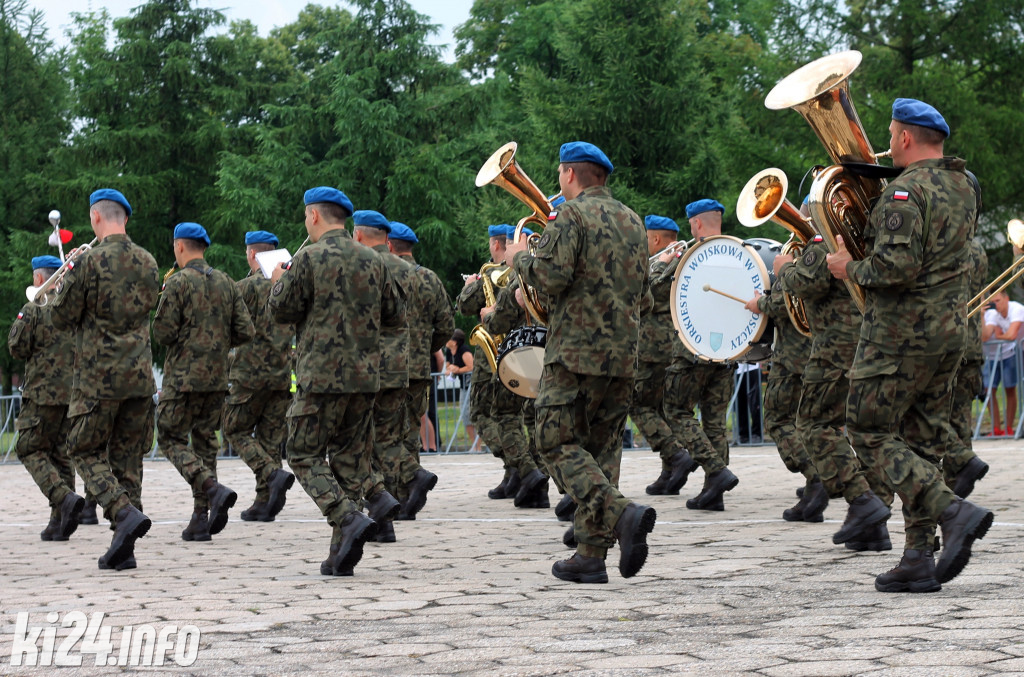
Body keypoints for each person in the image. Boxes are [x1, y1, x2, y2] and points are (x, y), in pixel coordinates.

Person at [826, 98, 994, 592]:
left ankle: (951, 511)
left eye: (891, 134)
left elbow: (894, 270)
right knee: (923, 440)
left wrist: (846, 268)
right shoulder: (964, 184)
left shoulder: (903, 194)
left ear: (903, 138)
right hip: (948, 333)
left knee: (868, 430)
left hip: (899, 334)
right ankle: (919, 556)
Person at [505, 141, 654, 584]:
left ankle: (622, 514)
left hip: (574, 352)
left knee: (555, 441)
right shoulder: (633, 220)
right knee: (603, 451)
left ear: (570, 174)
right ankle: (590, 555)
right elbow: (644, 295)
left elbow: (551, 275)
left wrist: (521, 262)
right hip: (623, 355)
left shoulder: (570, 215)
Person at [269, 187, 406, 576]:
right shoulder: (373, 259)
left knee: (301, 452)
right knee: (348, 460)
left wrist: (279, 279)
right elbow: (396, 315)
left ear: (313, 216)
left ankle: (345, 517)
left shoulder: (307, 258)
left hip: (321, 375)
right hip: (365, 377)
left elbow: (280, 310)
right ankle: (340, 553)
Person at [50, 188, 159, 570]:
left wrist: (67, 275)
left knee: (83, 450)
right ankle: (124, 547)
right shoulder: (148, 261)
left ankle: (120, 510)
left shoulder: (88, 263)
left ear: (96, 218)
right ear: (123, 219)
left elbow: (60, 317)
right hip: (140, 377)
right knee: (128, 460)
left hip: (98, 379)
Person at [154, 222, 255, 542]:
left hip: (183, 379)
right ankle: (201, 518)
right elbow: (246, 332)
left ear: (179, 246)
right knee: (204, 442)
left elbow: (163, 333)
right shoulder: (226, 282)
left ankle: (211, 489)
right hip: (216, 379)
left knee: (170, 438)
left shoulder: (178, 283)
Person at [664, 199, 740, 511]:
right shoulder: (739, 254)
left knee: (677, 411)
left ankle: (716, 470)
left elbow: (655, 288)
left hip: (691, 351)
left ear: (695, 224)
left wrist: (665, 263)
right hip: (727, 350)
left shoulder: (689, 256)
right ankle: (714, 493)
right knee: (714, 420)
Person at [222, 230, 297, 523]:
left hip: (250, 374)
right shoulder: (288, 286)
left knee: (234, 429)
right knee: (269, 438)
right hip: (281, 374)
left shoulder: (245, 288)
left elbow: (231, 329)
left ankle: (271, 475)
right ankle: (265, 502)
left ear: (252, 254)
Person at [9, 255, 85, 541]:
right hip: (71, 394)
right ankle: (60, 521)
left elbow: (16, 347)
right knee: (61, 455)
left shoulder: (34, 309)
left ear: (40, 279)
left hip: (41, 394)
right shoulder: (73, 310)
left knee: (29, 449)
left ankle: (63, 499)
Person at [351, 210, 410, 544]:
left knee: (360, 443)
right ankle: (385, 519)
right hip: (400, 366)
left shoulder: (359, 265)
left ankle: (373, 513)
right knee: (387, 442)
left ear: (358, 235)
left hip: (367, 366)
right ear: (386, 238)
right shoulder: (411, 270)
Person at [388, 221, 454, 519]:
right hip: (418, 369)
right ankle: (406, 502)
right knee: (410, 433)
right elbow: (446, 327)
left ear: (389, 244)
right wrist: (425, 348)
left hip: (387, 368)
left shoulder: (383, 272)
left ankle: (403, 485)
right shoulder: (429, 278)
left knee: (384, 434)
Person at [744, 262, 819, 522]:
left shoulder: (806, 255)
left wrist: (760, 304)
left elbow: (789, 301)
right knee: (807, 423)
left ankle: (816, 474)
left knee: (777, 419)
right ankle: (813, 494)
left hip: (793, 356)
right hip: (816, 353)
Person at [632, 215, 695, 496]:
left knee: (638, 403)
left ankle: (675, 453)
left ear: (656, 239)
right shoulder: (678, 258)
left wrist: (656, 265)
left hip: (653, 346)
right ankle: (670, 471)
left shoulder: (674, 259)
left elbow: (648, 292)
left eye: (647, 238)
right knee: (657, 408)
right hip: (667, 345)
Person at [456, 225, 517, 497]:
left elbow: (465, 306)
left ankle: (521, 467)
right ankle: (515, 472)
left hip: (492, 358)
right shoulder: (528, 269)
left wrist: (470, 286)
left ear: (495, 245)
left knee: (483, 414)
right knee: (516, 416)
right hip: (522, 352)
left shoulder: (491, 273)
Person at [944, 238, 990, 496]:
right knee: (960, 419)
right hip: (971, 344)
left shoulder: (947, 244)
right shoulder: (978, 249)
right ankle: (959, 479)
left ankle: (959, 471)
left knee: (931, 415)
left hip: (948, 341)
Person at [981, 290, 1024, 436]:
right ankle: (996, 428)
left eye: (998, 301)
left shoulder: (1016, 309)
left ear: (1007, 299)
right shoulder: (993, 313)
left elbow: (1012, 335)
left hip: (1013, 352)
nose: (995, 304)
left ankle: (1009, 427)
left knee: (1010, 389)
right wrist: (981, 315)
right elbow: (986, 336)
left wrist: (1001, 336)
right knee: (988, 390)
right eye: (993, 302)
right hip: (996, 355)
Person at [444, 329, 477, 450]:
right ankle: (474, 445)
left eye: (449, 338)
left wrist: (458, 370)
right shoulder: (449, 351)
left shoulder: (464, 350)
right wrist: (450, 369)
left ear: (455, 341)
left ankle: (477, 446)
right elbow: (448, 365)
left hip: (471, 385)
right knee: (465, 416)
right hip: (463, 386)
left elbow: (471, 366)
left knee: (470, 414)